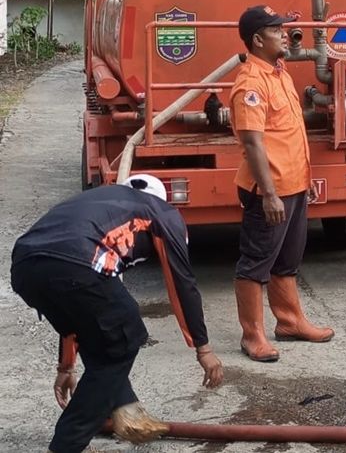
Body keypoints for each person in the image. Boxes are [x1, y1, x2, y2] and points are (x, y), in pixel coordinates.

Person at [10, 174, 224, 453]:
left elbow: (77, 318)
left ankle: (122, 409)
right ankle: (68, 445)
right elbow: (182, 281)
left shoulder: (99, 199)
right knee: (126, 334)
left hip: (25, 269)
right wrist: (202, 347)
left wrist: (66, 367)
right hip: (78, 264)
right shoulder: (163, 212)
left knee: (103, 331)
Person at [232, 5, 333, 363]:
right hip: (268, 191)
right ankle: (252, 335)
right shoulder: (251, 84)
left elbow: (289, 134)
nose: (286, 35)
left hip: (293, 184)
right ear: (258, 40)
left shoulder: (280, 74)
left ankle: (289, 322)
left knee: (288, 259)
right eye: (277, 30)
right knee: (256, 262)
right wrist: (271, 194)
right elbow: (253, 143)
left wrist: (303, 181)